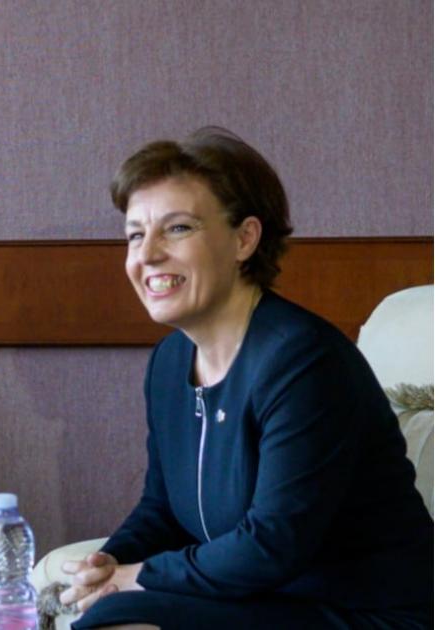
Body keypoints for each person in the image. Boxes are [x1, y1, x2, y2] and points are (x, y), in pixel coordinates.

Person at [58, 128, 433, 629]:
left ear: (244, 239)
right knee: (110, 616)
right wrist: (109, 564)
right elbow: (162, 510)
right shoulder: (170, 362)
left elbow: (272, 545)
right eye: (134, 234)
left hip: (365, 613)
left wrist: (139, 575)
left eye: (177, 229)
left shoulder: (303, 361)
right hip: (260, 600)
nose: (147, 254)